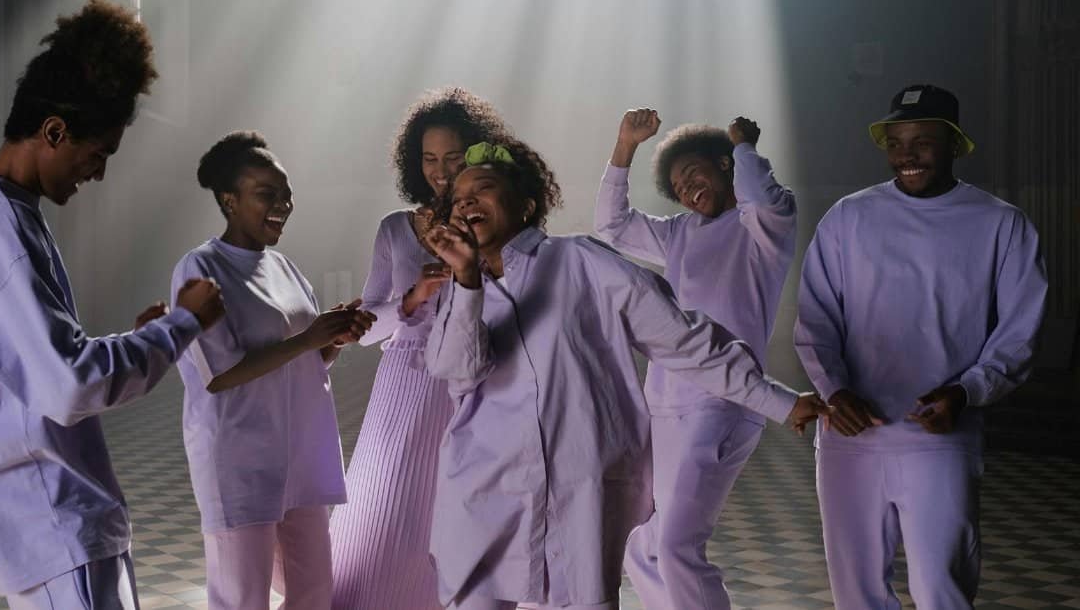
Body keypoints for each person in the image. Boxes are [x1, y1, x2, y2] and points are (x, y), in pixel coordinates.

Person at [422, 138, 827, 610]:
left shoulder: (580, 262)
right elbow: (458, 370)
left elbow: (683, 340)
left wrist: (778, 400)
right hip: (481, 492)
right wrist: (467, 282)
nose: (465, 201)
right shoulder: (459, 289)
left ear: (527, 205)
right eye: (458, 198)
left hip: (576, 496)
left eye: (483, 188)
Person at [0, 0, 225, 609]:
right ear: (54, 131)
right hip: (55, 527)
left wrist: (141, 338)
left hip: (49, 529)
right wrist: (182, 324)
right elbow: (69, 384)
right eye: (99, 154)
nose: (98, 173)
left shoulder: (2, 216)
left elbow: (38, 365)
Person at [794, 84, 1047, 608]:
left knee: (941, 590)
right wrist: (834, 389)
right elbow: (816, 318)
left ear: (955, 144)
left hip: (940, 435)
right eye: (895, 142)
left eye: (922, 142)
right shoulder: (848, 217)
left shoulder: (1000, 223)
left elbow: (1020, 332)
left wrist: (967, 391)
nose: (905, 155)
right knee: (855, 594)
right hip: (849, 437)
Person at [594, 109, 797, 609]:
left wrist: (744, 146)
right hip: (664, 405)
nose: (687, 190)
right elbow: (611, 225)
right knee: (643, 546)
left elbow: (761, 197)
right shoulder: (678, 233)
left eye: (694, 174)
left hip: (725, 402)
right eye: (679, 186)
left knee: (675, 547)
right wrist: (625, 146)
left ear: (726, 166)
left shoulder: (763, 227)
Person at [173, 131, 375, 610]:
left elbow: (306, 361)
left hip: (300, 456)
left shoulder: (286, 267)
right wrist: (308, 338)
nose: (282, 204)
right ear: (229, 200)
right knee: (243, 598)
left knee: (314, 592)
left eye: (287, 194)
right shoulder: (201, 268)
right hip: (241, 461)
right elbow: (218, 373)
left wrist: (332, 339)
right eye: (267, 194)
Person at [330, 88, 513, 610]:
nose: (440, 171)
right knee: (387, 511)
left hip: (477, 382)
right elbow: (367, 329)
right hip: (406, 386)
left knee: (464, 516)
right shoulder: (396, 228)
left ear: (475, 154)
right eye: (429, 159)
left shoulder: (494, 224)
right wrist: (414, 298)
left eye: (452, 157)